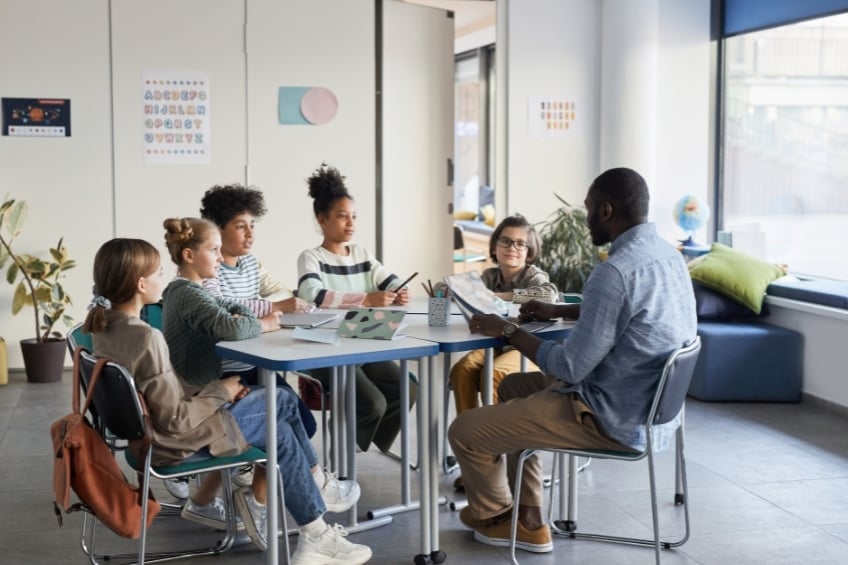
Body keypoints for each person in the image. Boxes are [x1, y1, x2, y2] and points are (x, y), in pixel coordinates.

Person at [447, 167, 697, 554]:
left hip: (608, 416)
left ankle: (496, 516)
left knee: (464, 429)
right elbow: (630, 313)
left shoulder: (615, 271)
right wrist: (556, 310)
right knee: (512, 387)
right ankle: (529, 515)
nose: (586, 217)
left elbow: (568, 367)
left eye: (589, 208)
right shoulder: (667, 257)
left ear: (607, 210)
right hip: (654, 409)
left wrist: (509, 330)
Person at [85, 238, 372, 564]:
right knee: (283, 400)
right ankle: (318, 493)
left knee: (280, 429)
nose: (161, 279)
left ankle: (316, 532)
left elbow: (156, 395)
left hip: (145, 439)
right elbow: (175, 419)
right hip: (175, 442)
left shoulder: (103, 328)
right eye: (158, 273)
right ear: (140, 284)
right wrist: (221, 392)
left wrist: (218, 387)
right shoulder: (147, 337)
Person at [297, 163, 415, 454]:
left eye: (354, 217)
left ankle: (358, 446)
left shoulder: (361, 254)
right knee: (372, 403)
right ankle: (343, 455)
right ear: (322, 219)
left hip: (363, 339)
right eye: (342, 217)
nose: (350, 223)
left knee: (408, 389)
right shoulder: (310, 258)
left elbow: (390, 279)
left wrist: (400, 290)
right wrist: (366, 300)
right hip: (326, 348)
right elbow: (312, 295)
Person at [448, 214, 557, 491]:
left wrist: (503, 298)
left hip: (526, 350)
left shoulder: (533, 276)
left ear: (530, 251)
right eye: (506, 241)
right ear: (495, 246)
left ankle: (497, 463)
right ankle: (475, 460)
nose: (513, 248)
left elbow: (549, 296)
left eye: (521, 244)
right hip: (495, 346)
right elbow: (470, 297)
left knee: (495, 374)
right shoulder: (489, 276)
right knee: (462, 370)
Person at [199, 183, 317, 440]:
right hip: (224, 371)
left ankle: (272, 474)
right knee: (283, 425)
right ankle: (254, 469)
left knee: (305, 425)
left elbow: (281, 292)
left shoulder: (250, 263)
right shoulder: (207, 269)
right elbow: (222, 306)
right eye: (241, 226)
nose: (250, 234)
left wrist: (281, 305)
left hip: (256, 363)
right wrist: (271, 308)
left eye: (252, 225)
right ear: (217, 230)